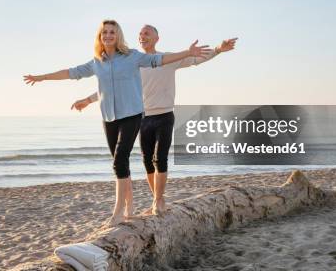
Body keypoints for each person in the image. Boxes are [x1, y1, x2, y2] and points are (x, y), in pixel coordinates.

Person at [23, 20, 211, 227]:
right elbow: (71, 73)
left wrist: (187, 52)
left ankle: (119, 212)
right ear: (100, 36)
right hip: (109, 117)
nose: (108, 35)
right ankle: (129, 207)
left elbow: (160, 59)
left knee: (120, 161)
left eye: (112, 32)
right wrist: (42, 78)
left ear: (118, 35)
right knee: (121, 163)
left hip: (132, 115)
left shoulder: (131, 56)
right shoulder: (97, 62)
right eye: (105, 32)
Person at [72, 24, 237, 215]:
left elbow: (195, 59)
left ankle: (158, 200)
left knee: (161, 159)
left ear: (156, 38)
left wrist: (218, 49)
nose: (143, 36)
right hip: (142, 117)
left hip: (164, 115)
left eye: (147, 33)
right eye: (140, 34)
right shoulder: (134, 63)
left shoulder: (167, 59)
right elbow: (110, 88)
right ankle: (157, 198)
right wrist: (87, 100)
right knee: (148, 162)